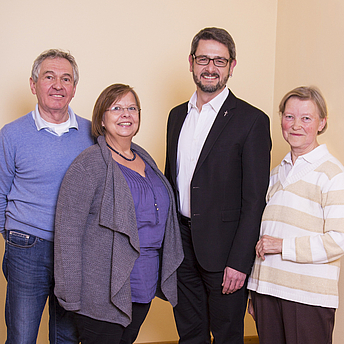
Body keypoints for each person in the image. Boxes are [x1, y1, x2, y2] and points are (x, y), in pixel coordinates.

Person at [165, 27, 271, 344]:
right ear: (191, 62)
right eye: (204, 59)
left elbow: (254, 201)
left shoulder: (252, 120)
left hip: (224, 252)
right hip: (181, 245)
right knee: (190, 332)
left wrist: (240, 262)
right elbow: (173, 179)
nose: (210, 67)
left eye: (220, 61)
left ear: (232, 66)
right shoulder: (175, 117)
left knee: (227, 335)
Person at [54, 83, 184, 344]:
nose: (126, 114)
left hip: (143, 283)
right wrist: (70, 293)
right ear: (101, 118)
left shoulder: (145, 158)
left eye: (132, 108)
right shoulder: (89, 163)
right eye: (116, 108)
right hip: (101, 290)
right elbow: (68, 232)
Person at [0, 49, 94, 343]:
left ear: (74, 88)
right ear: (33, 84)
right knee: (22, 335)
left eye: (66, 79)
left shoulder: (92, 134)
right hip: (26, 248)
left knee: (66, 336)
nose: (58, 85)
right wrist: (15, 234)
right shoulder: (11, 134)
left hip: (76, 250)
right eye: (49, 77)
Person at [247, 86, 344, 344]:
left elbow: (339, 240)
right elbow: (264, 235)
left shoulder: (333, 174)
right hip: (268, 292)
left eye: (306, 118)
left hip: (308, 297)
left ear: (322, 122)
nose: (296, 125)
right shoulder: (277, 173)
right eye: (289, 117)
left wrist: (283, 247)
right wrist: (255, 290)